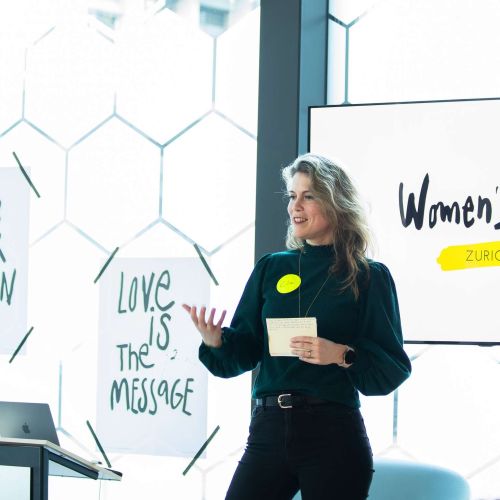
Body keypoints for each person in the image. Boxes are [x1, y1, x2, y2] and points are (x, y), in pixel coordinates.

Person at [182, 153, 411, 500]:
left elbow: (391, 369)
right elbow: (243, 353)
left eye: (308, 196)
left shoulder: (368, 276)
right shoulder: (271, 268)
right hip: (268, 429)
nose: (295, 207)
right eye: (292, 196)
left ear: (336, 203)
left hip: (333, 435)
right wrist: (216, 342)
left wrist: (341, 354)